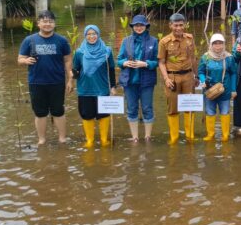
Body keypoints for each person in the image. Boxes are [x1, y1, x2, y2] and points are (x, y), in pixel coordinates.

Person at [17, 10, 72, 145]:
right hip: (36, 82)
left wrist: (70, 80)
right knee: (40, 112)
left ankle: (62, 138)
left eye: (51, 21)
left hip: (57, 81)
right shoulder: (29, 40)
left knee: (58, 111)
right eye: (45, 21)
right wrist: (26, 61)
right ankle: (41, 139)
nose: (48, 24)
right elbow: (19, 59)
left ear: (54, 24)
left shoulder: (62, 40)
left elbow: (67, 60)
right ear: (38, 23)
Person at [73, 25, 117, 148]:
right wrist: (73, 74)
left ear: (98, 35)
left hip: (102, 88)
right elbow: (75, 70)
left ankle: (104, 140)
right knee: (87, 115)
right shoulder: (79, 52)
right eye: (89, 34)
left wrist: (113, 87)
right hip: (85, 89)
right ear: (85, 36)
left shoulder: (107, 51)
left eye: (94, 34)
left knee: (104, 114)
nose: (92, 36)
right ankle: (90, 140)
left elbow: (111, 70)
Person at [117, 14, 159, 142]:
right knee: (131, 108)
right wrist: (124, 63)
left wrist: (146, 64)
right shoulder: (126, 41)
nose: (139, 27)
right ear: (133, 27)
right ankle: (134, 137)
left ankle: (147, 136)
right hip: (130, 81)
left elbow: (158, 62)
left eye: (141, 25)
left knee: (147, 108)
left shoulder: (154, 41)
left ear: (146, 26)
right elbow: (118, 60)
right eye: (136, 25)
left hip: (147, 81)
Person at [157, 13, 197, 144]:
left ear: (185, 25)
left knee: (189, 106)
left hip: (188, 76)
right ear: (170, 25)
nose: (178, 28)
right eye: (176, 25)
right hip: (172, 77)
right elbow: (161, 62)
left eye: (181, 25)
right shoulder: (164, 42)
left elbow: (193, 58)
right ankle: (174, 137)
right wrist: (166, 78)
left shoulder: (190, 38)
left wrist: (195, 76)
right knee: (172, 108)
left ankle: (190, 135)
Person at [199, 34, 238, 142]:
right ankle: (211, 134)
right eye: (215, 43)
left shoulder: (229, 58)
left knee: (225, 112)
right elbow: (201, 72)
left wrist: (234, 89)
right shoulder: (205, 57)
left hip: (225, 91)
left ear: (224, 44)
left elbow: (234, 74)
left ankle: (225, 135)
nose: (218, 46)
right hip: (209, 91)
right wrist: (202, 81)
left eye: (220, 43)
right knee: (210, 112)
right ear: (211, 45)